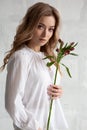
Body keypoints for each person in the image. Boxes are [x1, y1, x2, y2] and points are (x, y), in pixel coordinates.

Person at [0, 2, 68, 130]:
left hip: (53, 124)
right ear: (30, 25)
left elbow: (40, 91)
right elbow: (12, 102)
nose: (45, 34)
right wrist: (33, 126)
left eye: (50, 29)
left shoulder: (49, 58)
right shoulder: (21, 57)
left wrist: (58, 92)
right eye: (40, 27)